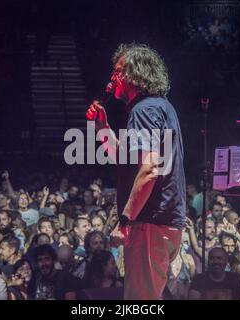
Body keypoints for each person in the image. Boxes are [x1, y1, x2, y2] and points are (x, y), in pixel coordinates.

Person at [86, 43, 186, 300]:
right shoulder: (160, 107)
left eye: (118, 71)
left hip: (150, 222)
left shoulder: (144, 110)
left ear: (134, 74)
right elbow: (126, 160)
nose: (113, 78)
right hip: (164, 222)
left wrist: (125, 220)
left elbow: (150, 168)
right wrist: (103, 129)